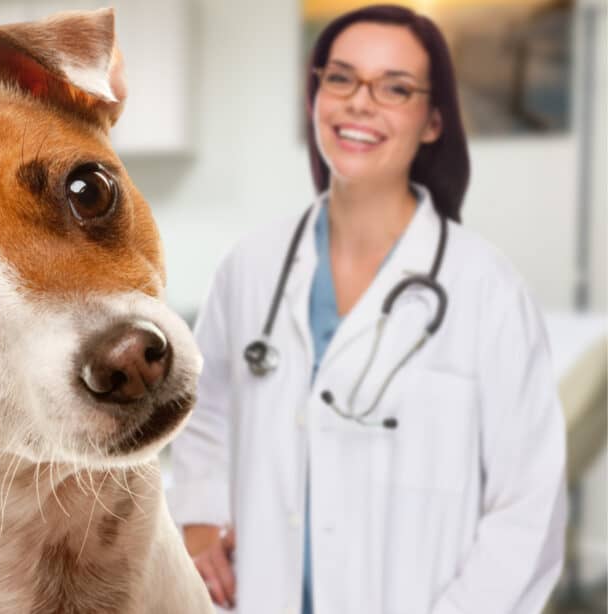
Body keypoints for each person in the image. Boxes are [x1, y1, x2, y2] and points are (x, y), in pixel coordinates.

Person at [168, 5, 567, 613]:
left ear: (433, 121)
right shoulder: (251, 268)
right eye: (341, 78)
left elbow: (528, 506)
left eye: (395, 88)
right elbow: (207, 418)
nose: (360, 102)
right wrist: (198, 523)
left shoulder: (487, 289)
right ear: (316, 95)